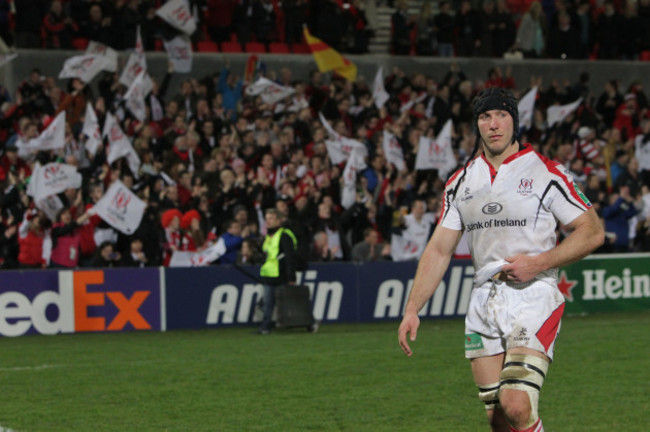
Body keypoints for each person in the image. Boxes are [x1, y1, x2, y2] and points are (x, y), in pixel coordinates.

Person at [398, 87, 604, 432]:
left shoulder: (545, 172)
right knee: (498, 420)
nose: (493, 124)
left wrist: (537, 263)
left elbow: (592, 231)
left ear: (515, 122)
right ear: (477, 125)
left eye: (501, 115)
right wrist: (411, 309)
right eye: (485, 116)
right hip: (483, 300)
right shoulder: (460, 182)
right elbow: (439, 249)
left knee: (516, 404)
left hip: (533, 295)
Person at [258, 208, 299, 334]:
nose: (268, 222)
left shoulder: (284, 235)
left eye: (271, 219)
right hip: (269, 275)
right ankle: (266, 327)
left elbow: (289, 257)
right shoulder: (269, 236)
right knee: (267, 303)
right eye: (267, 219)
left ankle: (305, 321)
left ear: (279, 220)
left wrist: (291, 276)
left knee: (286, 303)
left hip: (281, 275)